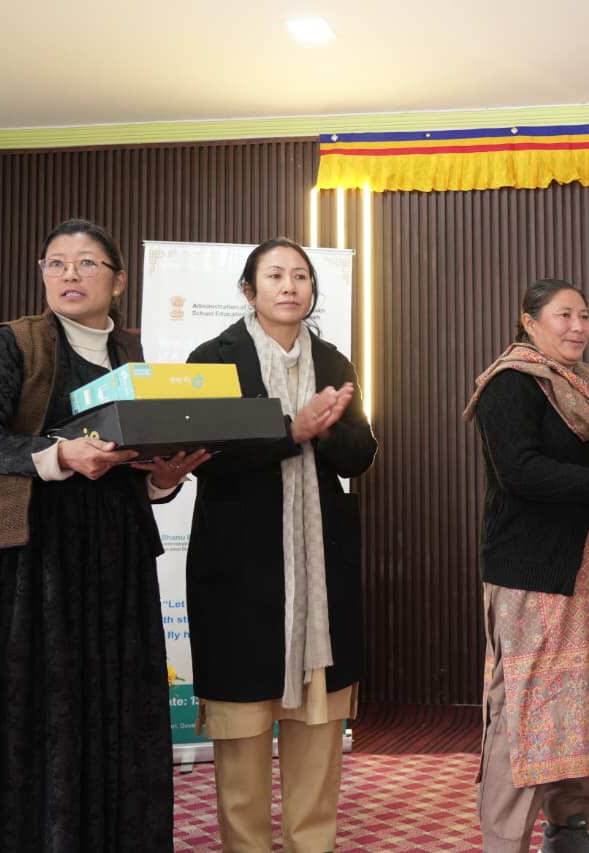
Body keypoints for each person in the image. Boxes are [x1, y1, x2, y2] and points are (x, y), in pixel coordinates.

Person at [0, 218, 208, 852]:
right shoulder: (9, 345)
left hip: (115, 558)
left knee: (117, 708)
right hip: (24, 561)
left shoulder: (136, 355)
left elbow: (136, 458)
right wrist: (58, 456)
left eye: (87, 264)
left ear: (119, 281)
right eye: (56, 264)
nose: (69, 275)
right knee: (39, 710)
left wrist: (163, 478)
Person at [463, 278, 589, 853]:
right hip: (536, 570)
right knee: (528, 708)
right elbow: (522, 473)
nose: (578, 326)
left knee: (586, 698)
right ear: (529, 322)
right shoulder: (512, 384)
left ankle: (570, 825)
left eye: (583, 315)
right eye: (563, 315)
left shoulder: (587, 388)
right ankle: (505, 841)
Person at [185, 237, 377, 853]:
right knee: (241, 727)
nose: (289, 286)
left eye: (300, 276)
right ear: (250, 290)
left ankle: (311, 843)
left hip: (319, 570)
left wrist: (326, 430)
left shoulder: (335, 363)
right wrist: (291, 429)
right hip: (240, 570)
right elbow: (207, 461)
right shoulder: (212, 359)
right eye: (275, 275)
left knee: (318, 726)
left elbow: (361, 454)